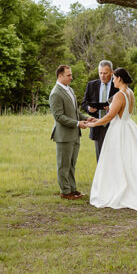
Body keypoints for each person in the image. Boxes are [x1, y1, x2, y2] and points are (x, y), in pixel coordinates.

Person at [85, 67, 137, 212]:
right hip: (128, 125)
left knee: (117, 160)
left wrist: (93, 123)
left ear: (119, 78)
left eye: (114, 78)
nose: (112, 80)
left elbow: (109, 117)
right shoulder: (130, 93)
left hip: (118, 130)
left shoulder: (120, 95)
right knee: (129, 159)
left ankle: (118, 188)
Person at [49, 64, 89, 200]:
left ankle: (72, 189)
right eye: (68, 75)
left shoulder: (69, 90)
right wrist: (78, 124)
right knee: (63, 165)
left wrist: (87, 118)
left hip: (75, 135)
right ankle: (65, 192)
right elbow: (59, 117)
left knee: (72, 164)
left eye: (71, 74)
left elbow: (74, 112)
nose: (71, 77)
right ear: (60, 76)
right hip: (64, 136)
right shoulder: (55, 93)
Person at [81, 60, 115, 160]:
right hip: (97, 126)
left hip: (113, 125)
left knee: (114, 157)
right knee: (100, 158)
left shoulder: (117, 84)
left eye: (105, 73)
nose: (102, 76)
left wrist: (112, 108)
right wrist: (89, 109)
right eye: (100, 73)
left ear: (111, 72)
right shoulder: (91, 85)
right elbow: (83, 103)